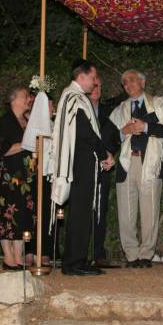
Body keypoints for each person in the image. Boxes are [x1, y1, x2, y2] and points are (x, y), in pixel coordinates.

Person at [50, 59, 114, 276]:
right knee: (79, 212)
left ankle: (79, 258)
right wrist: (104, 152)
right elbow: (86, 132)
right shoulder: (74, 98)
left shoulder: (75, 98)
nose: (95, 82)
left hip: (83, 161)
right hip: (80, 162)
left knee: (83, 211)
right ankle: (73, 262)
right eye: (93, 77)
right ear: (82, 76)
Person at [105, 69, 163, 268]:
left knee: (149, 211)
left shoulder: (160, 104)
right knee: (126, 212)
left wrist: (145, 127)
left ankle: (146, 255)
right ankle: (132, 255)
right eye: (125, 83)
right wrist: (122, 132)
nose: (128, 85)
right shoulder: (120, 109)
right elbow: (108, 138)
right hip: (127, 163)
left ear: (142, 83)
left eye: (132, 81)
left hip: (151, 163)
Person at [0, 86, 35, 271]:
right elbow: (0, 150)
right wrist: (24, 144)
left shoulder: (27, 120)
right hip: (10, 176)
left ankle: (18, 255)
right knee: (8, 213)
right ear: (14, 99)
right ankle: (8, 257)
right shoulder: (6, 121)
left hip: (26, 177)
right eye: (25, 96)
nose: (29, 99)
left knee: (23, 215)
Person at [89, 75, 118, 269]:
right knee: (82, 210)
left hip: (103, 167)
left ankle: (98, 253)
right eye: (94, 85)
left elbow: (115, 137)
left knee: (101, 211)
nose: (97, 89)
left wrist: (109, 154)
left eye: (100, 86)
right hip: (83, 167)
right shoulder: (80, 109)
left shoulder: (108, 112)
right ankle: (81, 252)